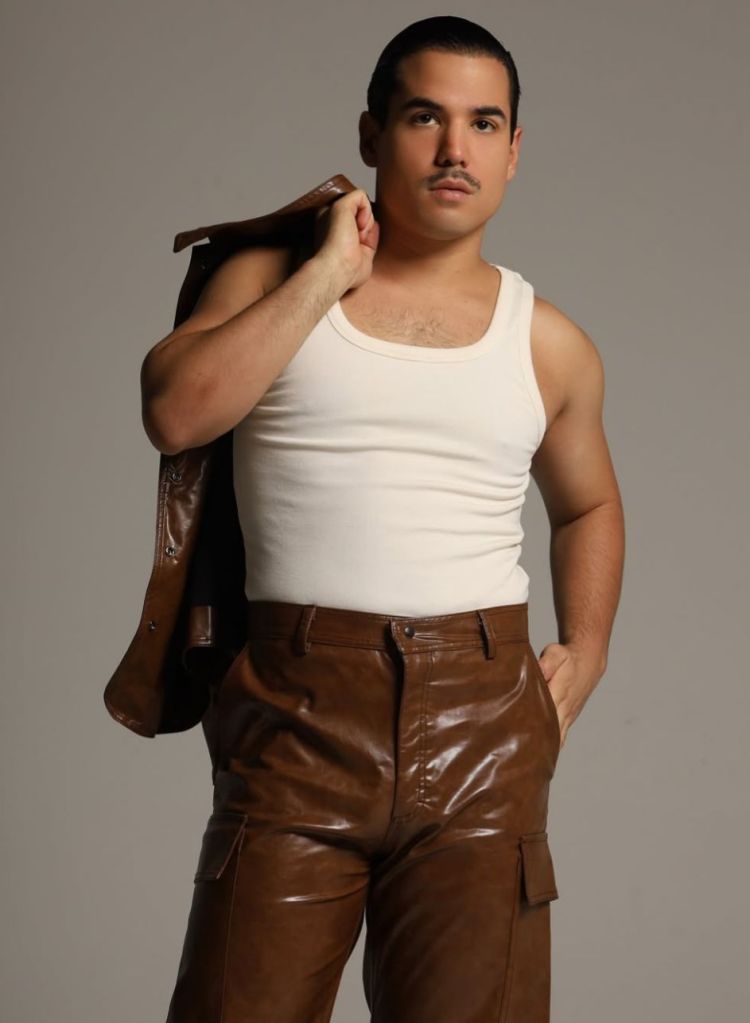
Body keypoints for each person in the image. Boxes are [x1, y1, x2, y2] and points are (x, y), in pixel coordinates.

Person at [145, 15, 625, 1023]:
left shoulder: (549, 343)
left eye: (482, 124)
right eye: (423, 117)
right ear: (371, 134)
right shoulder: (270, 282)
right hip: (296, 717)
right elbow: (177, 411)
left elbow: (587, 504)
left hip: (485, 725)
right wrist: (327, 272)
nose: (455, 149)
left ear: (513, 150)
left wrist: (586, 650)